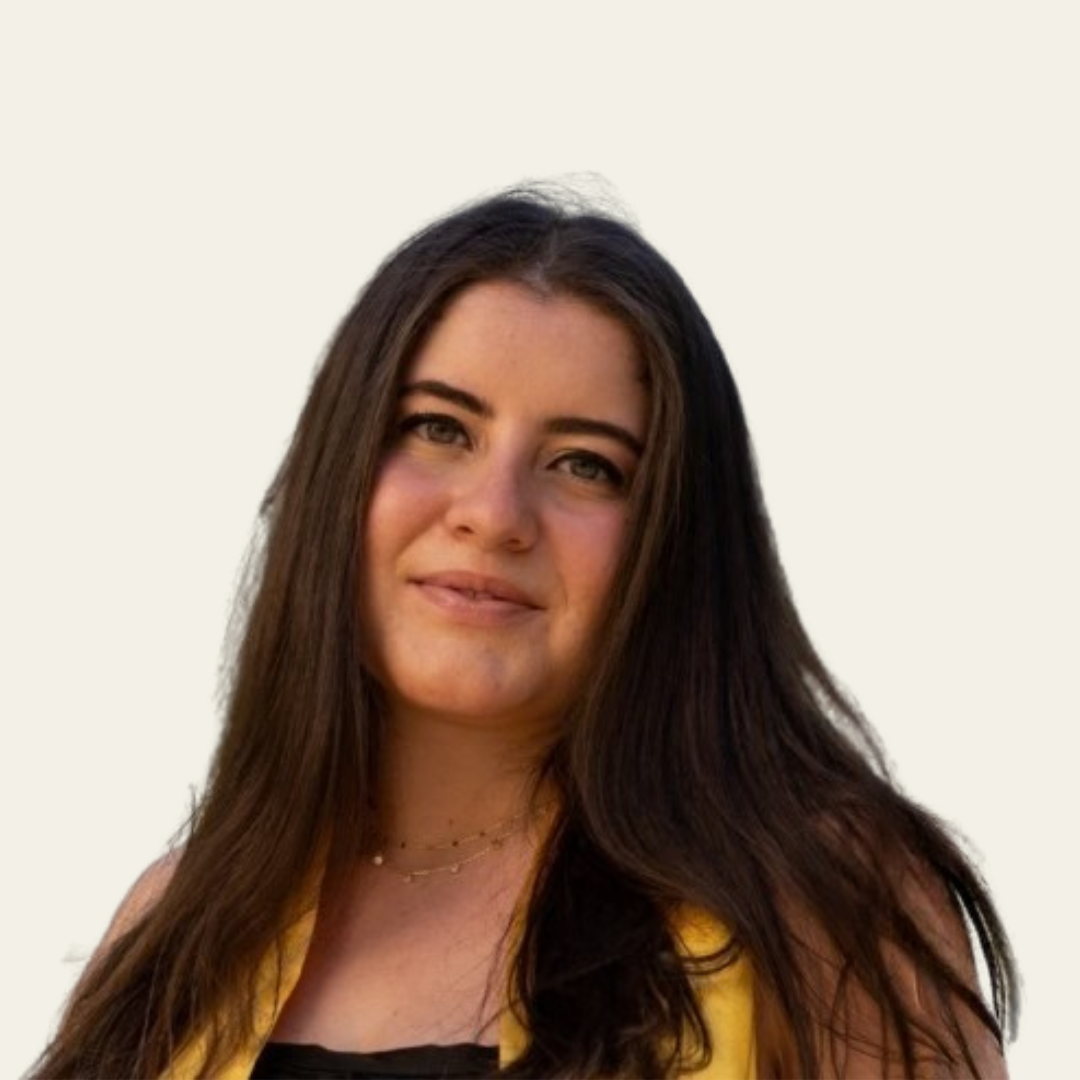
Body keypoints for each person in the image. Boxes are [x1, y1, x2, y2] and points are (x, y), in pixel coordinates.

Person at [32, 187, 1017, 1079]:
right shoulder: (175, 930)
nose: (495, 513)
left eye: (585, 464)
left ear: (672, 535)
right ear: (340, 472)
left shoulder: (815, 897)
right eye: (439, 428)